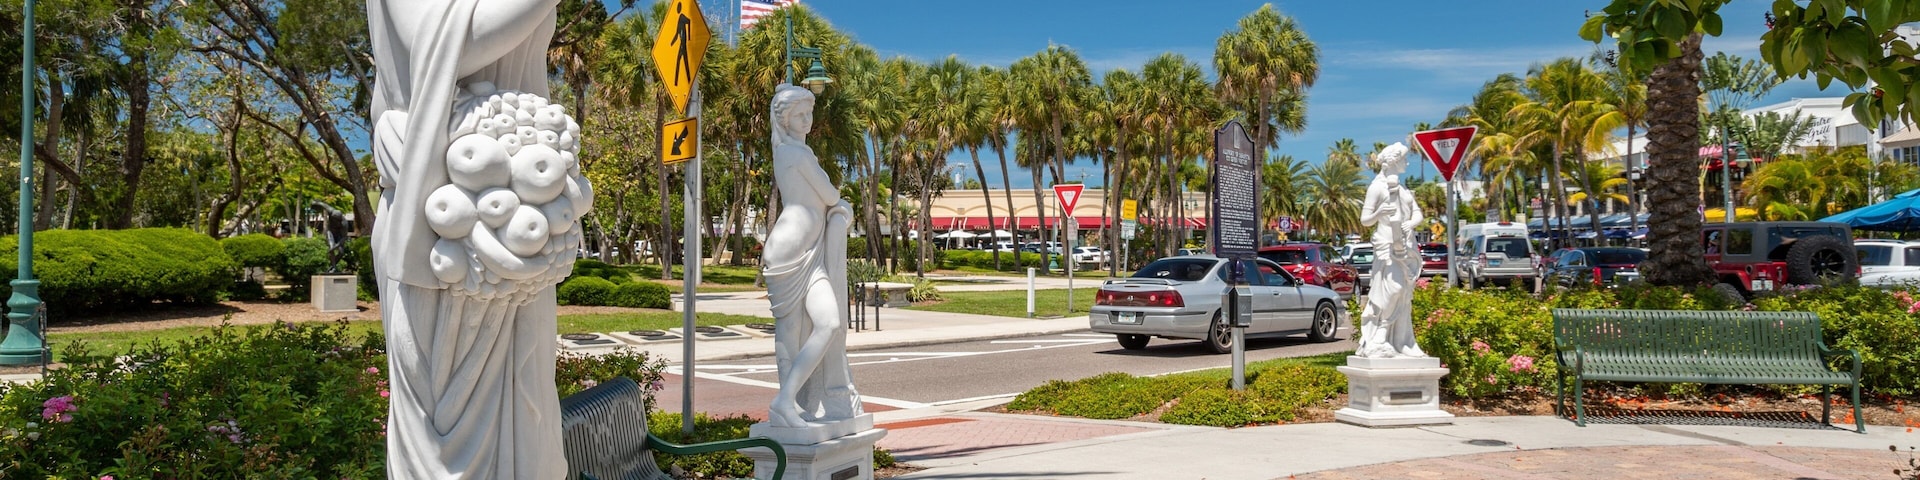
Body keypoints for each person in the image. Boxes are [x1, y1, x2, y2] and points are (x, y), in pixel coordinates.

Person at [367, 1, 570, 478]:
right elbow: (441, 43)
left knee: (527, 424)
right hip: (438, 220)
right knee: (447, 443)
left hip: (514, 211)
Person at [763, 84, 860, 428]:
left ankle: (786, 400)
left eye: (809, 113)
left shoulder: (793, 152)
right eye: (799, 115)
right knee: (789, 331)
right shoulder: (797, 155)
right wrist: (841, 207)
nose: (807, 120)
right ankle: (788, 405)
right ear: (784, 120)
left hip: (812, 252)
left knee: (828, 323)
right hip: (788, 250)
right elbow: (831, 194)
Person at [1356, 143, 1427, 359]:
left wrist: (1411, 224)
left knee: (1404, 293)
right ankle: (1380, 333)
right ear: (1393, 161)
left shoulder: (1403, 189)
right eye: (1403, 159)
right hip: (1386, 246)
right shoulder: (1376, 187)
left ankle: (1401, 341)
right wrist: (1379, 212)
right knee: (1393, 288)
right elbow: (1365, 220)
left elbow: (1417, 213)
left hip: (1406, 246)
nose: (1406, 163)